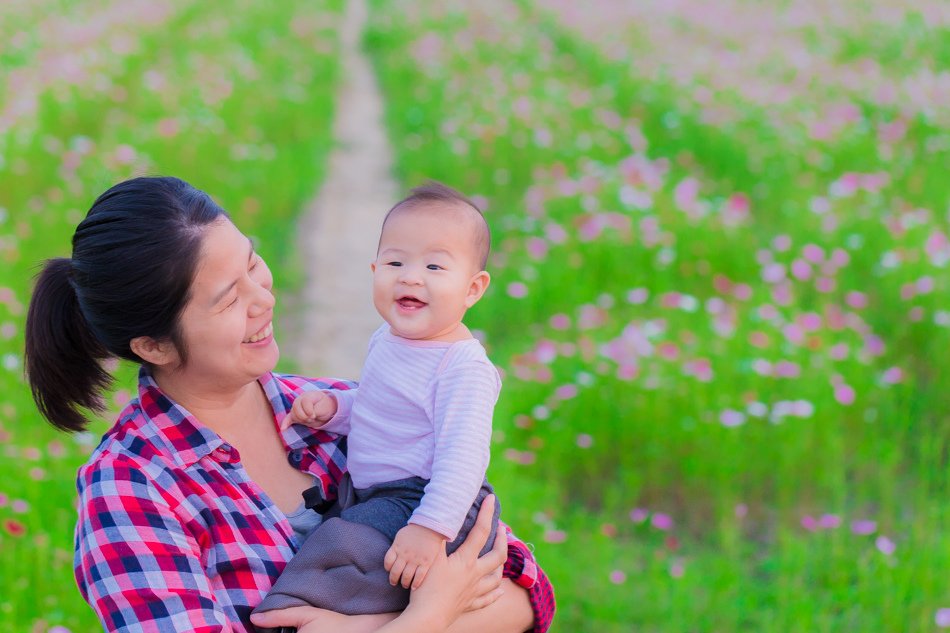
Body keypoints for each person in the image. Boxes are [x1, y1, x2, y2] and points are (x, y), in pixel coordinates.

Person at [23, 176, 555, 633]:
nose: (264, 299)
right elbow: (470, 597)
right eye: (230, 298)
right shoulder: (129, 490)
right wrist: (426, 617)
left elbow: (524, 592)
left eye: (254, 265)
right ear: (153, 346)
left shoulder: (325, 413)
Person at [255, 183, 505, 617]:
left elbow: (463, 458)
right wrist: (335, 410)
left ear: (473, 288)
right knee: (347, 538)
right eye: (394, 262)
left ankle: (289, 612)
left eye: (434, 266)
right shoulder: (387, 340)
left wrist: (429, 529)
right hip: (376, 493)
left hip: (426, 499)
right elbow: (381, 411)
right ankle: (370, 612)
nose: (410, 276)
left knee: (340, 542)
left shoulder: (462, 367)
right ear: (374, 270)